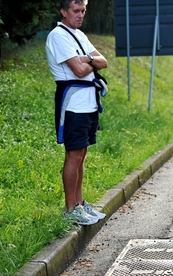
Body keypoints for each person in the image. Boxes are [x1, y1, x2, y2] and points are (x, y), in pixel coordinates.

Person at [45, 0, 108, 226]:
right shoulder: (58, 35)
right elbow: (79, 70)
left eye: (83, 11)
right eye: (75, 11)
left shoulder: (79, 35)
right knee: (73, 155)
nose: (80, 15)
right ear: (63, 11)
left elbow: (104, 61)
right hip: (72, 105)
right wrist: (90, 62)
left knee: (82, 154)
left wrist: (87, 59)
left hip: (88, 104)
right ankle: (70, 208)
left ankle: (80, 204)